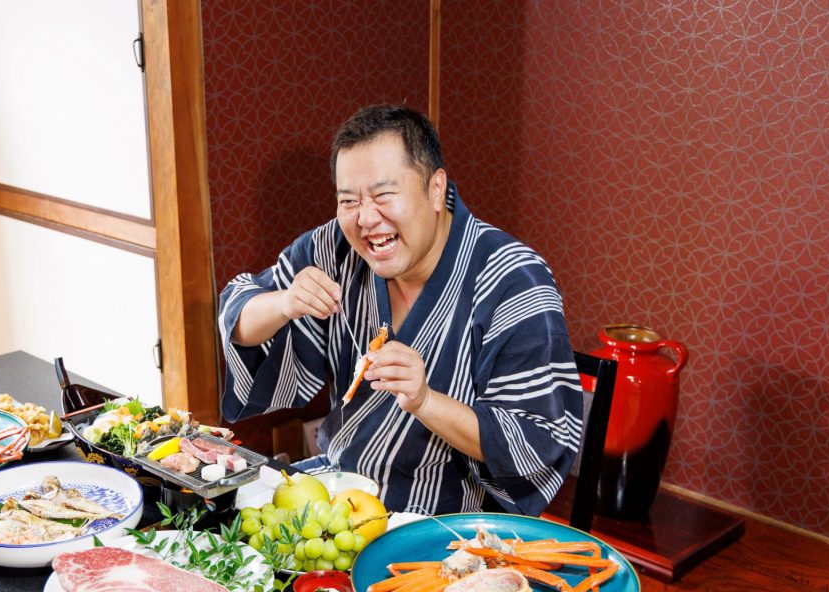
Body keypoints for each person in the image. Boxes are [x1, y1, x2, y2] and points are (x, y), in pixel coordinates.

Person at [218, 104, 582, 516]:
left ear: (435, 189)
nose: (366, 219)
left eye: (383, 195)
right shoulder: (333, 249)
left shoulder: (514, 281)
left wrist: (425, 400)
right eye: (349, 200)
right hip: (341, 493)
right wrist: (284, 303)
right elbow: (239, 316)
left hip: (449, 520)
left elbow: (537, 442)